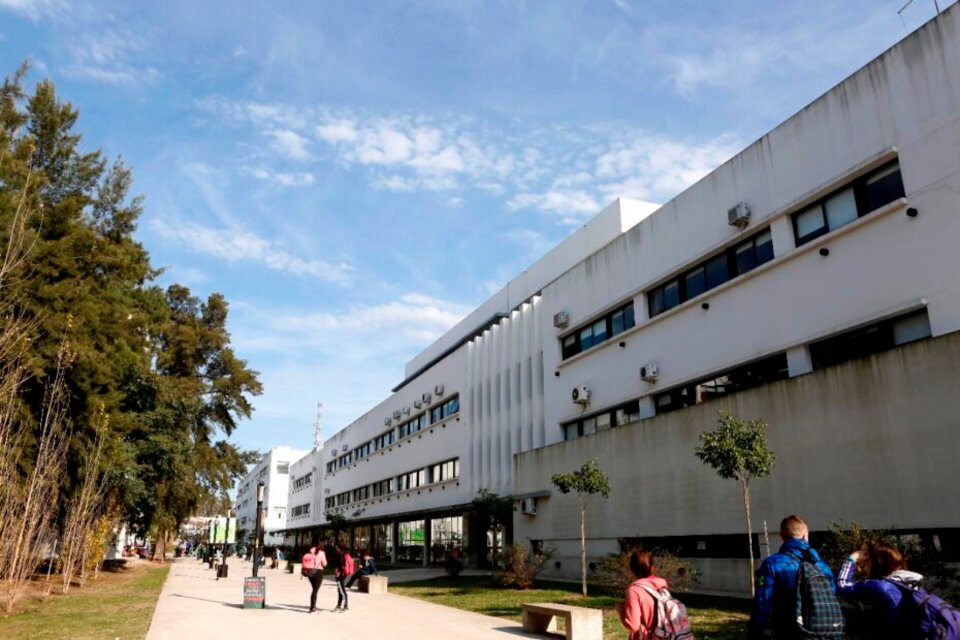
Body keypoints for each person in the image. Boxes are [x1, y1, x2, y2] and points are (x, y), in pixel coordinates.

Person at [748, 514, 839, 640]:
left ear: (782, 536)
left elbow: (762, 603)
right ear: (805, 536)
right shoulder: (822, 565)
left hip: (789, 631)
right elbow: (832, 594)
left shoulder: (773, 564)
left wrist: (755, 633)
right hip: (824, 630)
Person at [836, 540, 924, 638]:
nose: (864, 568)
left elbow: (843, 586)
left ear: (876, 563)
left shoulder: (880, 586)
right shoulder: (909, 584)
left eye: (866, 562)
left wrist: (851, 559)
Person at [617, 549, 671, 640]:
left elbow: (633, 625)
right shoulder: (662, 586)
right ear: (652, 567)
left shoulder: (634, 591)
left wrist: (622, 611)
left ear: (631, 568)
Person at [301, 544, 327, 613]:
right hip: (318, 572)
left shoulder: (310, 552)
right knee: (315, 590)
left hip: (310, 572)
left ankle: (313, 606)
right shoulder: (322, 553)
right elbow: (324, 564)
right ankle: (312, 607)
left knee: (314, 589)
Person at [331, 542, 350, 612]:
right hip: (340, 574)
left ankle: (345, 606)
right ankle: (339, 605)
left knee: (342, 590)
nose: (335, 547)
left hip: (341, 574)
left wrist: (338, 573)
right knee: (340, 590)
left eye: (336, 546)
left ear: (338, 547)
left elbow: (342, 565)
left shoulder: (340, 554)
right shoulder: (340, 554)